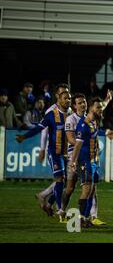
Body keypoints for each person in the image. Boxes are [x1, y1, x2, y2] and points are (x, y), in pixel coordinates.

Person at [16, 89, 71, 222]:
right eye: (65, 98)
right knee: (60, 179)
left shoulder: (71, 114)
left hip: (66, 153)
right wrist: (25, 136)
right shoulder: (51, 114)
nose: (68, 100)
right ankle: (60, 209)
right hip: (54, 152)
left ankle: (46, 200)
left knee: (65, 183)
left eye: (69, 98)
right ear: (59, 99)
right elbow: (40, 128)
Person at [71, 98, 103, 228]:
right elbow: (77, 144)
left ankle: (85, 218)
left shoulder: (95, 119)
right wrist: (73, 161)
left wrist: (107, 100)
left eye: (101, 108)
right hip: (85, 161)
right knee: (86, 189)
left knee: (92, 190)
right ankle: (79, 219)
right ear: (91, 109)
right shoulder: (83, 125)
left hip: (94, 161)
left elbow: (102, 106)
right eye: (98, 108)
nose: (101, 110)